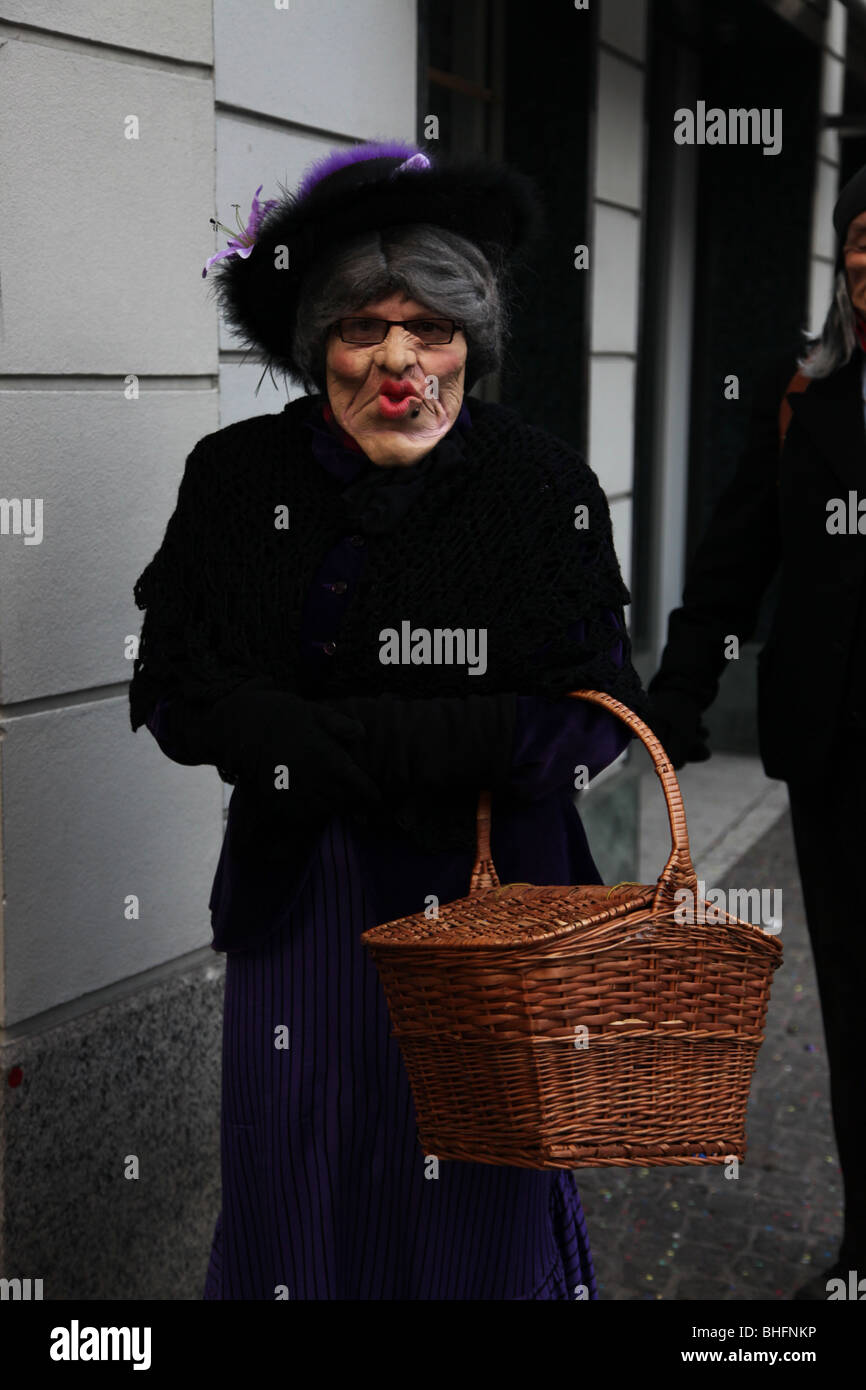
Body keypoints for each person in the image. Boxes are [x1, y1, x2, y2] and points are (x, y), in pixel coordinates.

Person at [129, 140, 649, 1300]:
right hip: (299, 896)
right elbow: (170, 683)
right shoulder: (232, 474)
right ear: (320, 344)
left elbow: (599, 707)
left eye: (433, 327)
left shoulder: (537, 486)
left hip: (487, 904)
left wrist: (414, 742)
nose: (398, 361)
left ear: (471, 343)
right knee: (295, 1165)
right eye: (365, 327)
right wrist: (276, 736)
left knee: (470, 1187)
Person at [646, 163, 866, 1300]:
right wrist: (676, 693)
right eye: (859, 243)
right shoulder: (799, 399)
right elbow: (732, 566)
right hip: (837, 760)